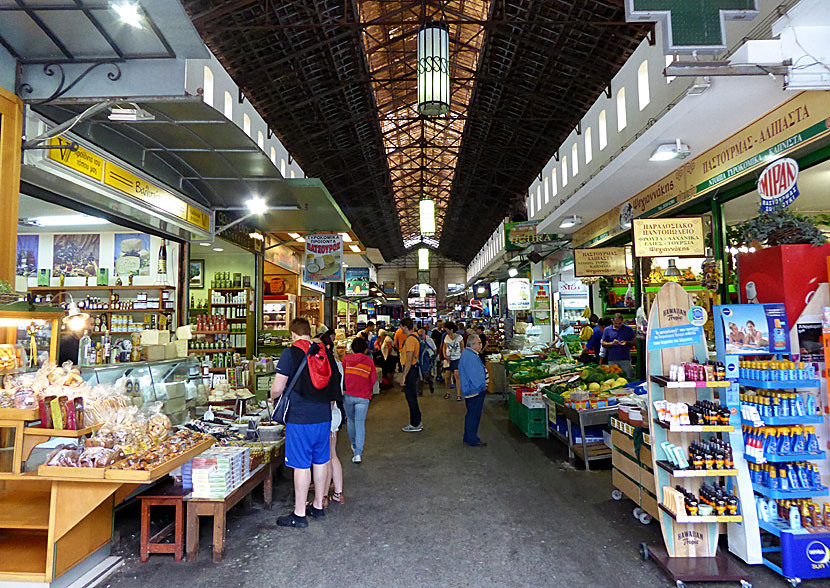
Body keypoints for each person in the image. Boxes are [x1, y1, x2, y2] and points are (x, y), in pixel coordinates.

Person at [271, 318, 342, 528]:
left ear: (292, 334)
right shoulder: (323, 351)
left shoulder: (290, 353)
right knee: (321, 460)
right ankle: (318, 506)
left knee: (301, 466)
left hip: (300, 418)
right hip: (323, 416)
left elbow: (277, 388)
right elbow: (334, 385)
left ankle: (299, 513)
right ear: (309, 332)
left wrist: (273, 397)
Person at [342, 337, 376, 463]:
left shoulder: (346, 359)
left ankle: (354, 445)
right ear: (365, 349)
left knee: (350, 421)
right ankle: (358, 453)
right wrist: (367, 388)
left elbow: (342, 375)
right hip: (363, 396)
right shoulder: (369, 361)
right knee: (360, 423)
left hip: (348, 395)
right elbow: (373, 378)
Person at [459, 334, 487, 447]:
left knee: (471, 414)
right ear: (472, 344)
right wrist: (482, 386)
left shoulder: (469, 354)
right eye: (479, 343)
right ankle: (472, 438)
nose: (481, 345)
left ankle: (468, 436)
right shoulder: (470, 357)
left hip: (471, 389)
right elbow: (475, 376)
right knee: (474, 416)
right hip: (474, 391)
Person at [398, 318, 423, 432]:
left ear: (404, 326)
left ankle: (415, 423)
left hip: (411, 371)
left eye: (401, 326)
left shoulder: (410, 340)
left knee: (411, 397)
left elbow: (409, 360)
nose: (400, 329)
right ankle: (417, 421)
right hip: (413, 369)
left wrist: (403, 376)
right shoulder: (415, 336)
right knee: (412, 397)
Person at [442, 321, 464, 400]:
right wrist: (444, 355)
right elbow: (444, 347)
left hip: (457, 358)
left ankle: (458, 394)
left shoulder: (459, 337)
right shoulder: (446, 337)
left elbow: (462, 348)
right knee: (447, 376)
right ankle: (447, 392)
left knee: (457, 375)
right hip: (448, 359)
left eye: (447, 329)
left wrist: (463, 358)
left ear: (451, 330)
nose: (446, 331)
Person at [418, 328, 436, 395]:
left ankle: (430, 383)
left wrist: (433, 358)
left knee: (426, 374)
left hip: (427, 361)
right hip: (419, 360)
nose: (420, 336)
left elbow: (434, 349)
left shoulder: (429, 340)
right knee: (419, 377)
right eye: (419, 335)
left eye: (421, 335)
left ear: (425, 334)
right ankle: (420, 391)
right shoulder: (417, 340)